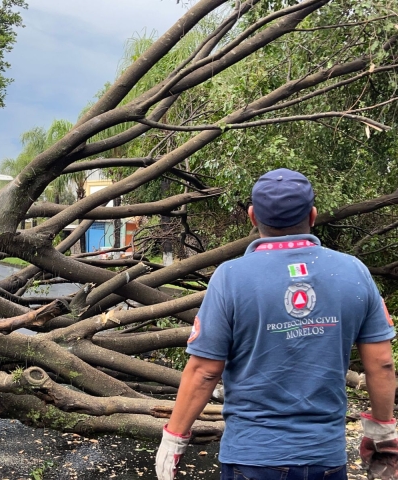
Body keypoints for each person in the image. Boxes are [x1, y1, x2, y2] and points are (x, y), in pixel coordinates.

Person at [155, 168, 397, 480]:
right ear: (312, 215)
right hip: (326, 459)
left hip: (252, 459)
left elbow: (204, 371)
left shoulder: (230, 278)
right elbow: (381, 364)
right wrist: (381, 434)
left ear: (253, 217)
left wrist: (174, 438)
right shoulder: (354, 272)